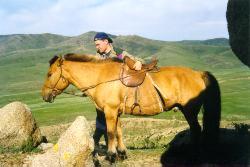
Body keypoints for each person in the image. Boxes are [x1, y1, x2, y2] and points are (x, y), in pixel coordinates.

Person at [92, 32, 143, 148]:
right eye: (96, 45)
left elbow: (135, 59)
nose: (97, 47)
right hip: (103, 96)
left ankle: (106, 143)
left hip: (118, 93)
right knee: (101, 118)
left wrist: (139, 62)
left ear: (106, 42)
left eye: (98, 44)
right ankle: (101, 142)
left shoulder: (119, 53)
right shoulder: (97, 57)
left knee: (111, 119)